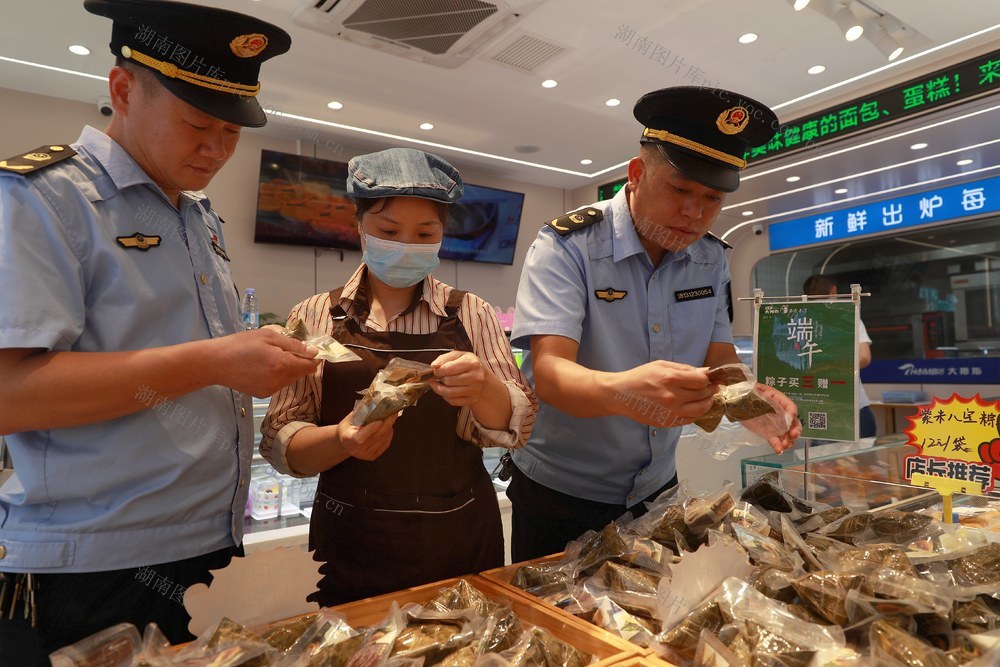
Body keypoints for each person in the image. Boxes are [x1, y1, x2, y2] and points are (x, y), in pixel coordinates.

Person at [0, 1, 318, 662]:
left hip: (197, 550)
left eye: (232, 131)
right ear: (122, 89)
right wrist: (212, 360)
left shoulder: (196, 213)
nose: (216, 149)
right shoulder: (43, 197)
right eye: (197, 122)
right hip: (90, 567)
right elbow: (10, 393)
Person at [509, 86, 802, 561]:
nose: (695, 213)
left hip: (656, 489)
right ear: (636, 173)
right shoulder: (568, 245)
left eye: (712, 198)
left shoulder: (710, 259)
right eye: (680, 190)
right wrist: (627, 391)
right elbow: (550, 374)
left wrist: (750, 399)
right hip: (559, 491)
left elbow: (719, 359)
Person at [260, 147, 538, 605]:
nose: (407, 244)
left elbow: (520, 427)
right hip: (349, 540)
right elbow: (277, 438)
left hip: (458, 533)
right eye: (389, 231)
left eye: (425, 232)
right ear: (360, 229)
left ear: (442, 235)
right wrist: (341, 439)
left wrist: (485, 387)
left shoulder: (472, 313)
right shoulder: (313, 315)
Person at [803, 274, 876, 439]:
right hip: (851, 405)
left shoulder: (799, 323)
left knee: (821, 462)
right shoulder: (846, 316)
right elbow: (864, 357)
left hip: (816, 408)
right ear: (834, 291)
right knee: (862, 462)